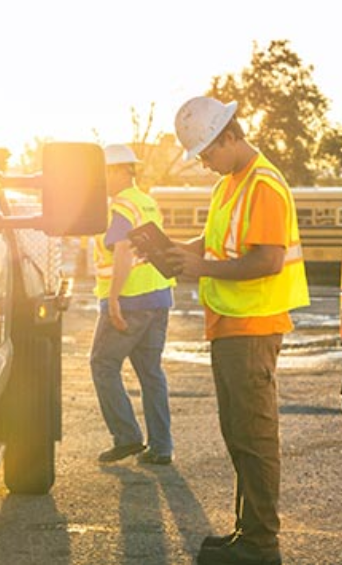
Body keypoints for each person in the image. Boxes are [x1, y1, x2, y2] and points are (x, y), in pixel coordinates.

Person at [167, 97, 310, 565]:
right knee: (238, 434)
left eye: (207, 153)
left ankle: (261, 543)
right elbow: (215, 245)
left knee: (254, 436)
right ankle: (247, 533)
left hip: (252, 327)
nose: (205, 164)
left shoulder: (263, 185)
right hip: (229, 325)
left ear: (230, 135)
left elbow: (267, 260)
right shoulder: (231, 184)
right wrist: (173, 252)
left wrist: (200, 266)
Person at [89, 144, 176, 465]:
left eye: (104, 173)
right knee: (151, 372)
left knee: (102, 365)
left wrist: (113, 299)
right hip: (158, 297)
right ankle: (161, 447)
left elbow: (123, 250)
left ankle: (126, 437)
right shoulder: (147, 202)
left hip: (131, 301)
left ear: (118, 170)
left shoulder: (121, 206)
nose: (101, 181)